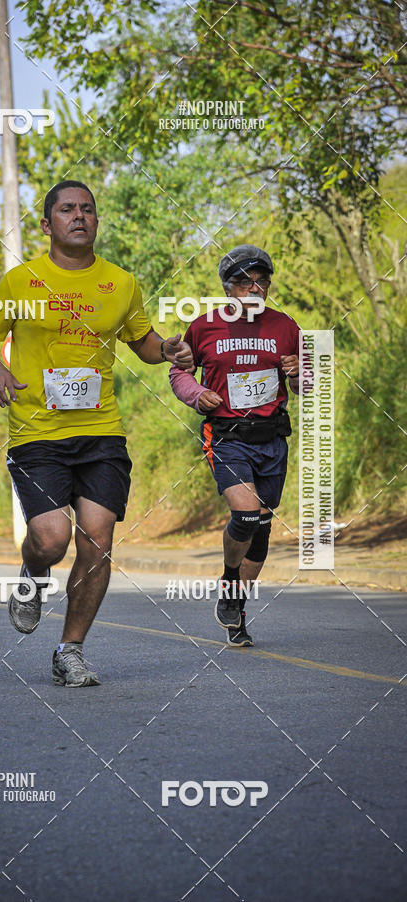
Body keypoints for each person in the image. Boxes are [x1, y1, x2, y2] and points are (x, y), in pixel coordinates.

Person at [0, 179, 194, 687]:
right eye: (67, 209)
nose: (78, 216)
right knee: (51, 540)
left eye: (87, 209)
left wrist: (172, 350)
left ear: (96, 221)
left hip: (101, 432)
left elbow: (146, 344)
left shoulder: (121, 283)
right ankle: (33, 574)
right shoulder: (21, 282)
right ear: (47, 225)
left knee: (98, 541)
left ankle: (70, 650)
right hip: (37, 433)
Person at [169, 245, 302, 647]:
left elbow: (305, 386)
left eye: (261, 281)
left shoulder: (286, 327)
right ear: (228, 288)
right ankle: (230, 580)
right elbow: (179, 373)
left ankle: (235, 605)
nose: (254, 288)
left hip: (272, 436)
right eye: (244, 282)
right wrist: (196, 394)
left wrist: (299, 373)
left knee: (261, 530)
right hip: (227, 434)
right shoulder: (204, 326)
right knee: (244, 516)